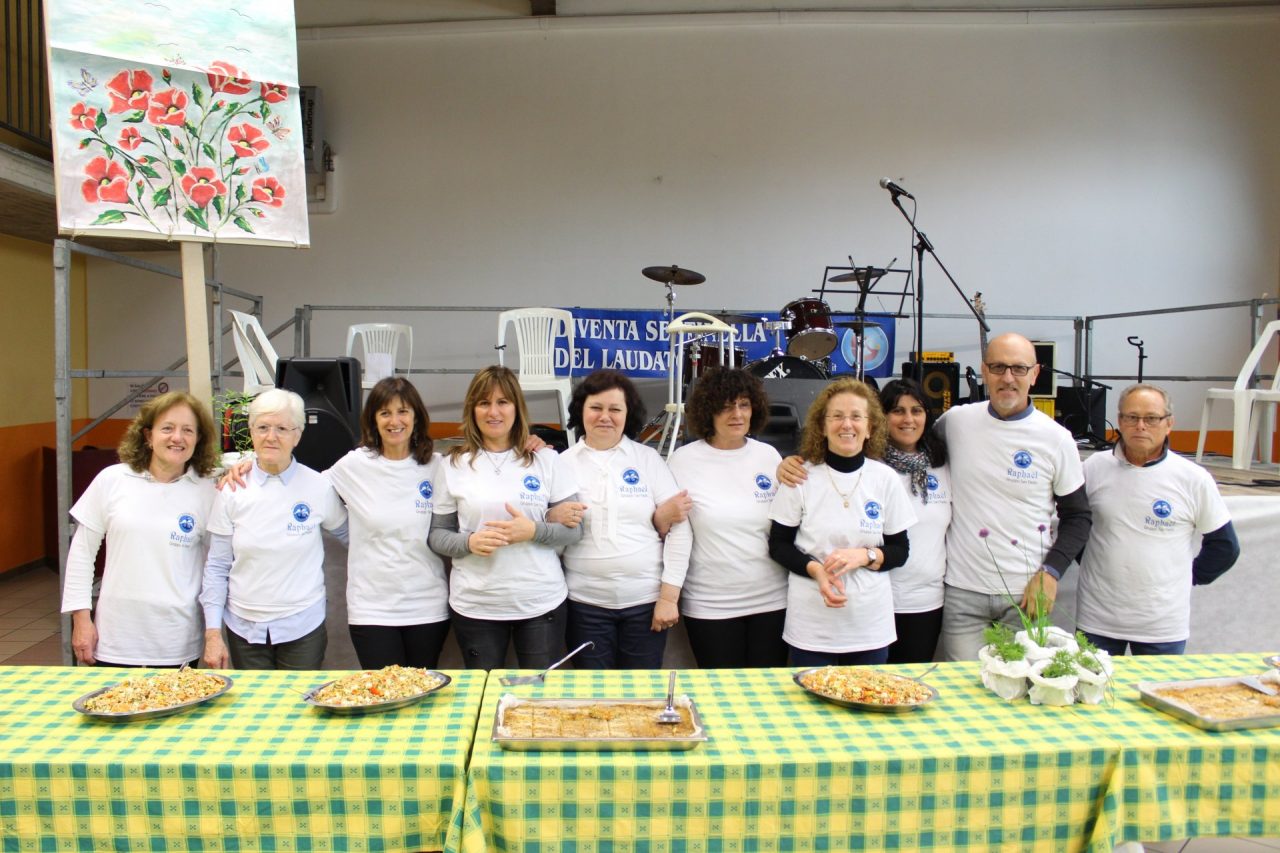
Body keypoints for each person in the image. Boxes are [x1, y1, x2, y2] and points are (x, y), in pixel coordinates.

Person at [934, 332, 1092, 661]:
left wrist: (1051, 573)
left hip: (1025, 594)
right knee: (963, 686)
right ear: (984, 371)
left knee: (1018, 686)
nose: (1008, 378)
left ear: (1035, 374)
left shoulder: (1056, 439)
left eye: (1019, 368)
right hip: (963, 592)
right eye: (998, 367)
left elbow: (1078, 516)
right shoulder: (955, 423)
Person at [777, 378, 952, 664]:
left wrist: (865, 555)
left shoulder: (885, 479)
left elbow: (900, 550)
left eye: (857, 417)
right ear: (822, 426)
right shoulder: (800, 477)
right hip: (811, 626)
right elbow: (778, 545)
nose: (847, 425)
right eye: (837, 416)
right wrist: (816, 570)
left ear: (870, 427)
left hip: (870, 627)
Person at [427, 365, 582, 670]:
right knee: (483, 694)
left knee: (538, 695)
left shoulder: (546, 459)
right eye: (484, 403)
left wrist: (533, 530)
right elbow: (437, 535)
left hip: (541, 602)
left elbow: (575, 531)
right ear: (472, 410)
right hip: (476, 604)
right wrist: (469, 543)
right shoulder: (453, 464)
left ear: (517, 407)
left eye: (503, 402)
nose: (493, 412)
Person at [1075, 383, 1239, 655]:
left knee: (1159, 686)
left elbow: (1225, 546)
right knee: (1091, 685)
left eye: (1151, 418)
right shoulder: (1093, 468)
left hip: (1162, 626)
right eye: (1132, 417)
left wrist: (1187, 577)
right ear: (1120, 421)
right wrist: (1092, 562)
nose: (1141, 426)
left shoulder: (1193, 479)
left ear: (1169, 423)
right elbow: (1074, 525)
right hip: (1097, 620)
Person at [62, 391, 220, 667]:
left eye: (188, 430)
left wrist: (212, 633)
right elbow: (81, 554)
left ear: (198, 439)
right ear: (148, 436)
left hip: (178, 643)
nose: (177, 438)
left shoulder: (210, 490)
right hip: (115, 639)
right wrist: (81, 619)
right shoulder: (112, 480)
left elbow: (215, 567)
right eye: (167, 428)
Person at [550, 369, 692, 669]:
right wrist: (551, 515)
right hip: (584, 605)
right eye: (596, 407)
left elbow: (680, 530)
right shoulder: (561, 464)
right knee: (593, 693)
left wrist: (668, 598)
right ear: (581, 411)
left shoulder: (648, 460)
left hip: (646, 603)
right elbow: (547, 532)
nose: (605, 417)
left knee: (642, 692)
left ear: (629, 414)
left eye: (615, 409)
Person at [200, 388, 348, 670]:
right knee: (253, 698)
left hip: (303, 625)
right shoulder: (232, 490)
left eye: (282, 428)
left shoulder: (318, 487)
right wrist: (212, 633)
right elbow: (217, 567)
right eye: (263, 427)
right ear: (252, 432)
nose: (271, 436)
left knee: (300, 699)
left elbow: (351, 537)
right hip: (244, 628)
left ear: (298, 435)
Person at [663, 367, 790, 668]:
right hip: (710, 604)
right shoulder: (683, 461)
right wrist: (669, 596)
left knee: (767, 689)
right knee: (721, 692)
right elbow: (677, 534)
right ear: (708, 411)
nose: (737, 414)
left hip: (772, 600)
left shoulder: (769, 456)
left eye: (744, 404)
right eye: (726, 406)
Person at [325, 377, 452, 669]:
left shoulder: (437, 466)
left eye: (403, 411)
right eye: (385, 413)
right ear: (373, 420)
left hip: (427, 606)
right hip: (372, 610)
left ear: (416, 417)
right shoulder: (355, 465)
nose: (395, 421)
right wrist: (250, 466)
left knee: (423, 690)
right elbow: (307, 490)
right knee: (382, 692)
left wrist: (532, 443)